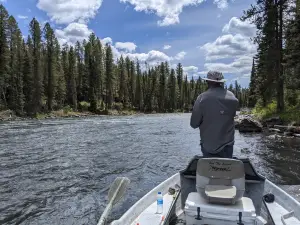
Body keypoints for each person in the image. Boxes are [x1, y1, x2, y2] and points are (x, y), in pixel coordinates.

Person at [190, 71, 239, 158]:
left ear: (208, 82)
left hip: (208, 146)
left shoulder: (202, 98)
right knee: (226, 169)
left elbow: (194, 124)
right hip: (227, 145)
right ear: (221, 82)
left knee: (210, 170)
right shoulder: (232, 97)